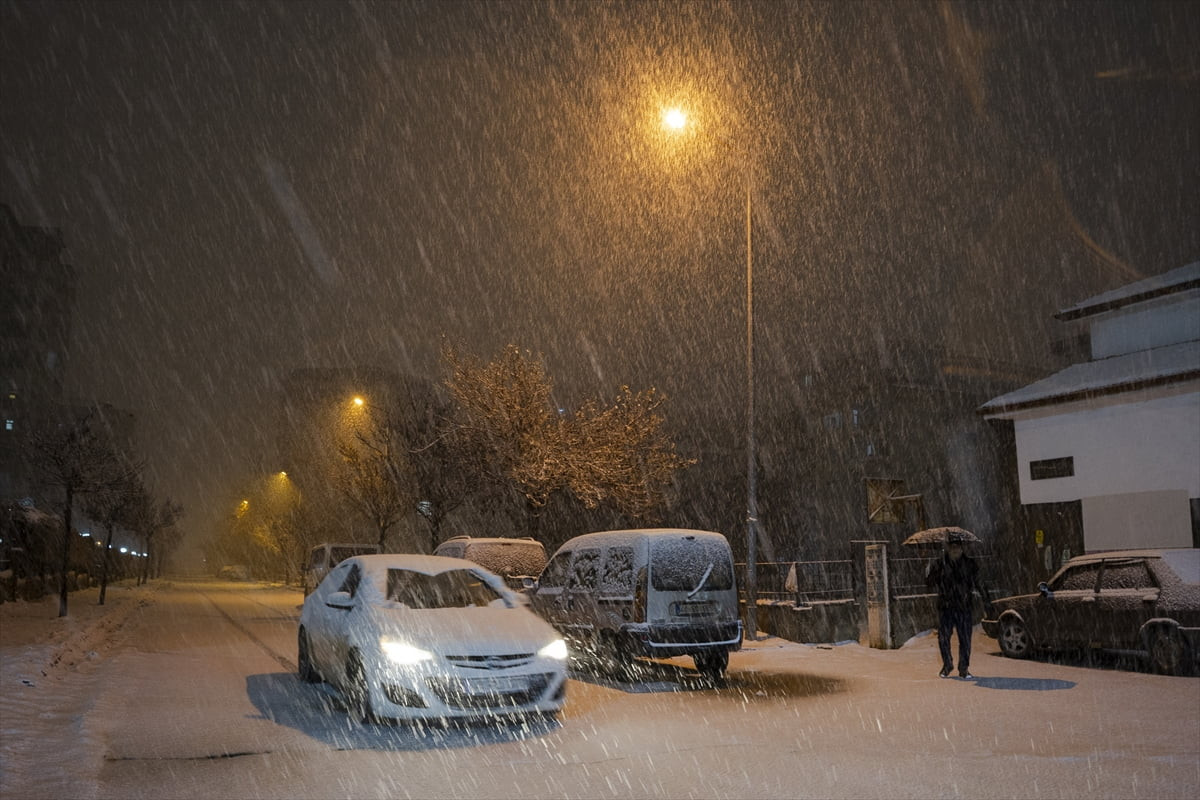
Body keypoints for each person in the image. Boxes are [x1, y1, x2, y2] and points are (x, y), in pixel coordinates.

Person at [925, 532, 980, 679]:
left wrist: (986, 601)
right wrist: (931, 570)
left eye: (957, 547)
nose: (955, 550)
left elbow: (979, 582)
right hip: (946, 606)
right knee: (943, 638)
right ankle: (947, 665)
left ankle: (964, 668)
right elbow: (929, 583)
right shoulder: (940, 564)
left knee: (965, 639)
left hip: (964, 606)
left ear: (962, 548)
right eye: (952, 547)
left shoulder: (969, 564)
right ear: (948, 548)